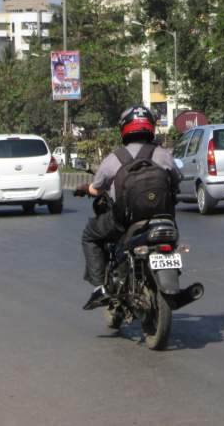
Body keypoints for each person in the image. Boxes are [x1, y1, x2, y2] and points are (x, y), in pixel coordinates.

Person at [76, 105, 180, 310]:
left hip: (125, 221)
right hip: (164, 219)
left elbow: (96, 189)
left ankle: (99, 288)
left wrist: (83, 188)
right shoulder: (163, 154)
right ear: (150, 127)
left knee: (90, 235)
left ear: (124, 129)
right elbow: (176, 181)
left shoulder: (115, 158)